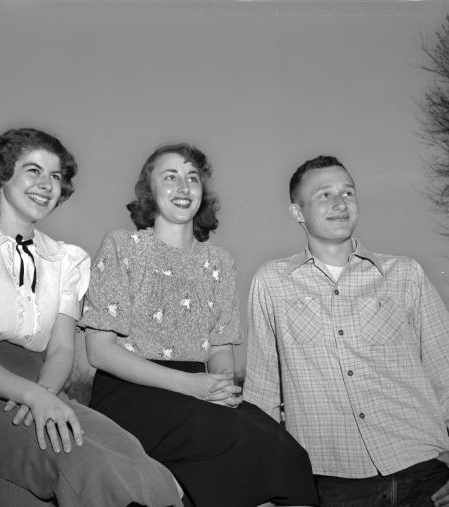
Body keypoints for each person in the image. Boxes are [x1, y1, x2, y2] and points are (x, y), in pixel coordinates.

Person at [0, 128, 183, 507]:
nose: (46, 185)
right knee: (83, 462)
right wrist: (31, 397)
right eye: (32, 171)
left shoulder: (66, 259)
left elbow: (63, 348)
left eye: (55, 176)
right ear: (1, 176)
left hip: (44, 387)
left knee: (132, 454)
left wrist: (44, 396)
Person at [244, 155, 449, 507]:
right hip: (330, 483)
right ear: (297, 212)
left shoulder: (405, 274)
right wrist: (266, 487)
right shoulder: (271, 283)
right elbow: (262, 395)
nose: (339, 203)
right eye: (324, 195)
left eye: (347, 192)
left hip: (428, 473)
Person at [78, 143, 319, 507]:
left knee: (288, 451)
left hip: (200, 389)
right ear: (149, 191)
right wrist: (192, 387)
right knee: (239, 441)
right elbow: (99, 351)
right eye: (170, 177)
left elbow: (221, 348)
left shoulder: (219, 261)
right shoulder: (122, 246)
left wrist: (221, 388)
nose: (184, 186)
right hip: (131, 392)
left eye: (193, 178)